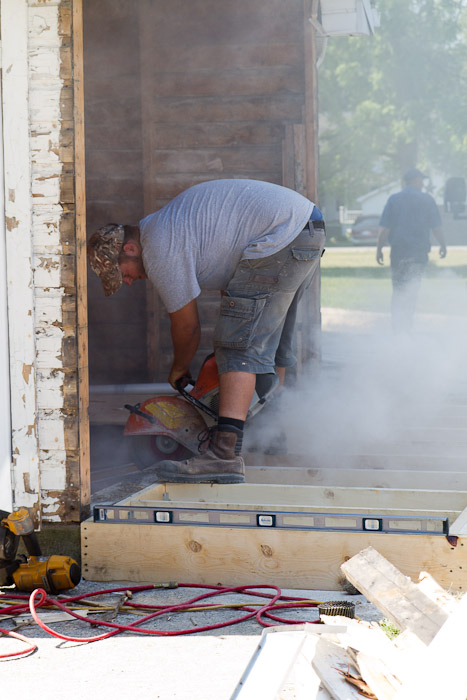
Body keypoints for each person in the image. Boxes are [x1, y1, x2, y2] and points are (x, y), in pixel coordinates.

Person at [87, 179, 326, 483]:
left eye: (123, 274)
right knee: (271, 340)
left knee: (236, 348)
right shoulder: (165, 226)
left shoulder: (159, 248)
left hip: (281, 235)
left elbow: (187, 328)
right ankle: (270, 432)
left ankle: (223, 456)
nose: (129, 281)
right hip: (305, 228)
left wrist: (179, 368)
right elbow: (234, 275)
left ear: (131, 249)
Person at [376, 167, 446, 332]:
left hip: (399, 252)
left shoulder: (394, 199)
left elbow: (384, 228)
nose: (423, 183)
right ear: (416, 180)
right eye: (422, 180)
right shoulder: (427, 200)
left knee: (398, 289)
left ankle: (397, 328)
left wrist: (379, 249)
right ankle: (407, 327)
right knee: (412, 288)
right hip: (419, 253)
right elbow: (436, 227)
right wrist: (443, 245)